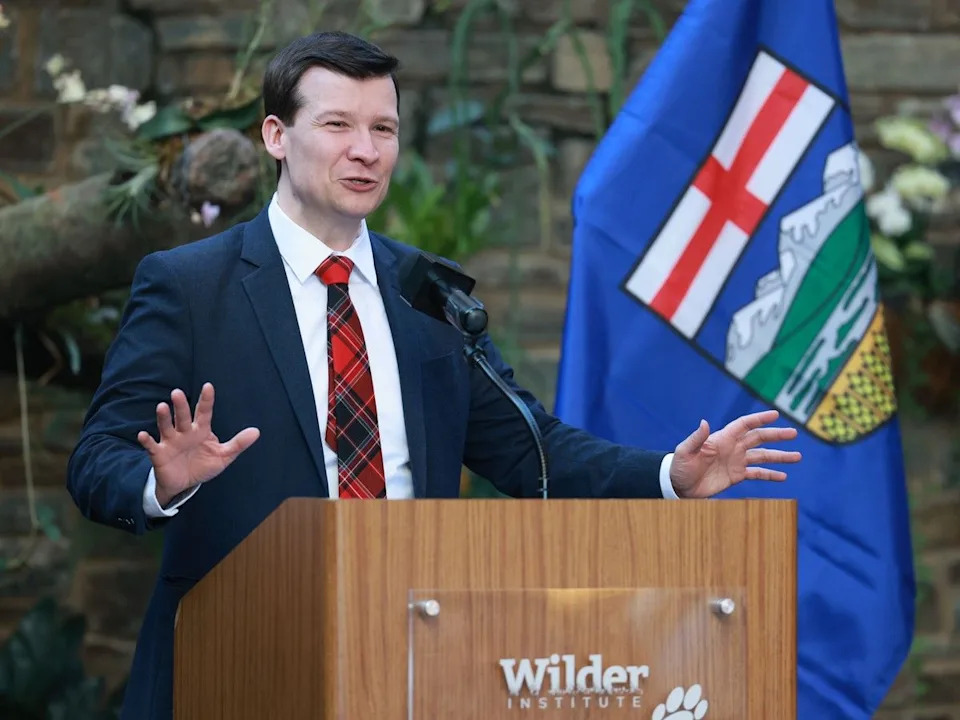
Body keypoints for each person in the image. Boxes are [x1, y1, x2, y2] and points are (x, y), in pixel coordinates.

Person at [66, 30, 801, 720]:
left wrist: (673, 474)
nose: (366, 152)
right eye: (338, 126)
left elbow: (529, 449)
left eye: (382, 130)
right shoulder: (189, 286)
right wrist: (165, 481)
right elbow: (98, 462)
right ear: (275, 136)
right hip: (238, 657)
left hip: (415, 658)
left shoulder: (426, 295)